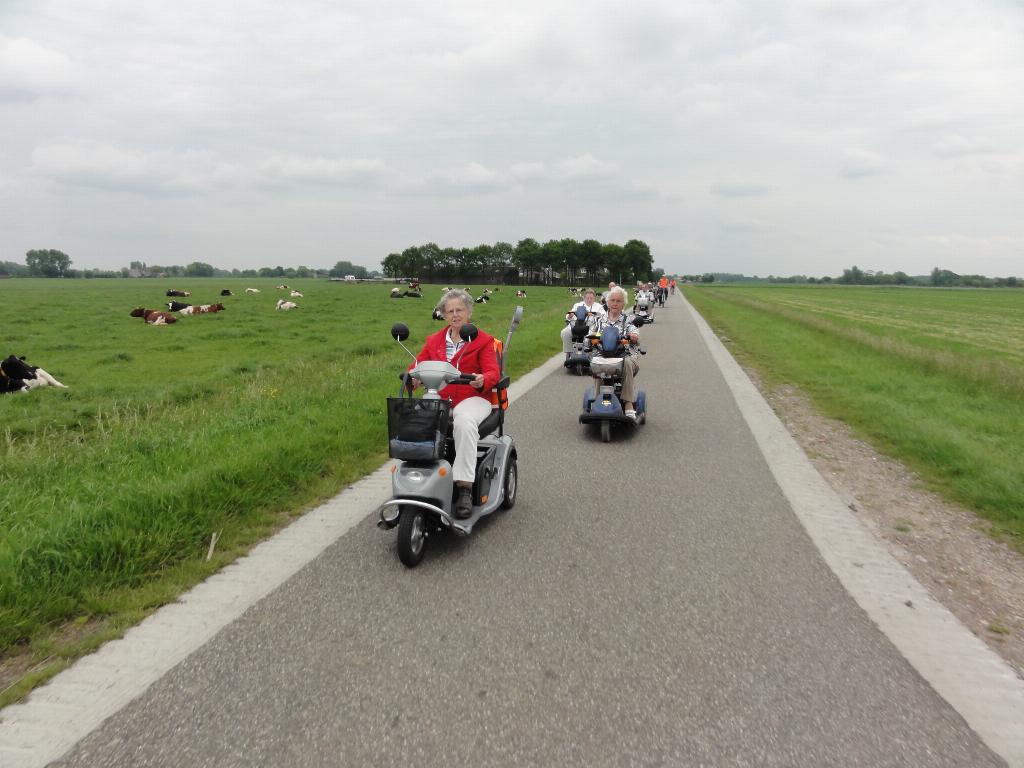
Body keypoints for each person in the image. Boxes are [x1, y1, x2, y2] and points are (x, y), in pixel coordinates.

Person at [410, 289, 500, 519]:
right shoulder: (434, 340)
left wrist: (483, 379)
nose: (455, 315)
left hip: (473, 398)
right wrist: (413, 377)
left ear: (469, 312)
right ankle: (417, 477)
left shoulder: (483, 340)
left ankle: (464, 488)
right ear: (443, 315)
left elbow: (493, 372)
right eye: (450, 311)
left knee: (464, 421)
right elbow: (418, 364)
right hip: (441, 398)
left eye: (459, 310)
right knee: (413, 418)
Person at [589, 286, 642, 420]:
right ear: (607, 302)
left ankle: (628, 403)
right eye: (612, 300)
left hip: (625, 355)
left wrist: (633, 336)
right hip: (603, 354)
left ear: (623, 304)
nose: (615, 303)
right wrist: (592, 339)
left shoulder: (628, 319)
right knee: (597, 360)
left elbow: (635, 333)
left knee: (627, 362)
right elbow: (589, 336)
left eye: (619, 301)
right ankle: (597, 400)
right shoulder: (598, 320)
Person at [561, 288, 606, 355]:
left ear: (594, 298)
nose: (589, 300)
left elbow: (604, 317)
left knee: (595, 336)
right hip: (576, 325)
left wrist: (596, 315)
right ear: (584, 298)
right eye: (587, 298)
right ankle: (569, 352)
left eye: (591, 298)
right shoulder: (577, 305)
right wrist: (570, 315)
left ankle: (590, 353)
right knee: (564, 332)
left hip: (591, 327)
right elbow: (569, 315)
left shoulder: (599, 307)